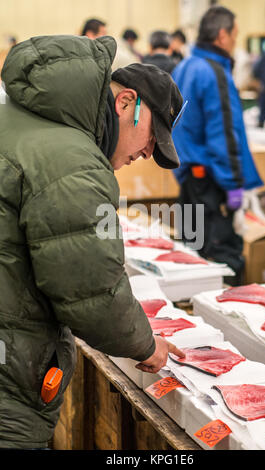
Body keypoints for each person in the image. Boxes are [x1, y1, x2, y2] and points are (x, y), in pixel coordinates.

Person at [0, 35, 185, 449]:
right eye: (151, 136)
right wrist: (145, 343)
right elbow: (90, 289)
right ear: (125, 104)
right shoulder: (73, 159)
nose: (146, 153)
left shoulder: (21, 118)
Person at [172, 6, 263, 284]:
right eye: (235, 36)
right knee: (225, 256)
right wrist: (234, 183)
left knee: (190, 250)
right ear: (222, 35)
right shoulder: (213, 72)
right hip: (212, 181)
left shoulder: (185, 65)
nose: (235, 43)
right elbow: (224, 132)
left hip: (190, 176)